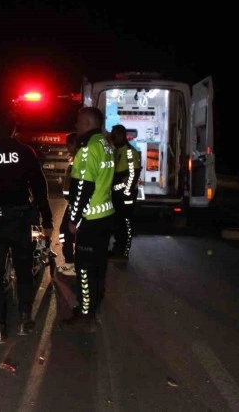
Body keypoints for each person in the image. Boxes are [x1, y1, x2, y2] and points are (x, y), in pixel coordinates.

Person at [0, 112, 53, 343]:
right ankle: (25, 320)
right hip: (20, 219)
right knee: (24, 270)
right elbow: (39, 187)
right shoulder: (25, 153)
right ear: (15, 130)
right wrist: (46, 219)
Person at [61, 107, 115, 324]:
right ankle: (95, 304)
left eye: (78, 121)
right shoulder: (105, 145)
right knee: (99, 265)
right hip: (105, 216)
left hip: (90, 220)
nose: (76, 125)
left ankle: (84, 311)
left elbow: (82, 188)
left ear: (87, 123)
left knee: (83, 267)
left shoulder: (87, 149)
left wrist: (74, 219)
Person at [109, 124, 141, 261]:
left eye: (114, 135)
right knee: (118, 223)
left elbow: (133, 174)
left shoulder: (129, 152)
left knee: (126, 223)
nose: (112, 138)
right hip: (118, 194)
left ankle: (123, 252)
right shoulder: (117, 151)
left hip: (125, 195)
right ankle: (117, 249)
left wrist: (125, 191)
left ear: (121, 135)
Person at [57, 132, 79, 276]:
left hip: (74, 204)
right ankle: (71, 261)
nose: (67, 147)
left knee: (66, 232)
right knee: (66, 233)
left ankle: (71, 263)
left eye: (69, 144)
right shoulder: (75, 159)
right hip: (72, 203)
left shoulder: (79, 161)